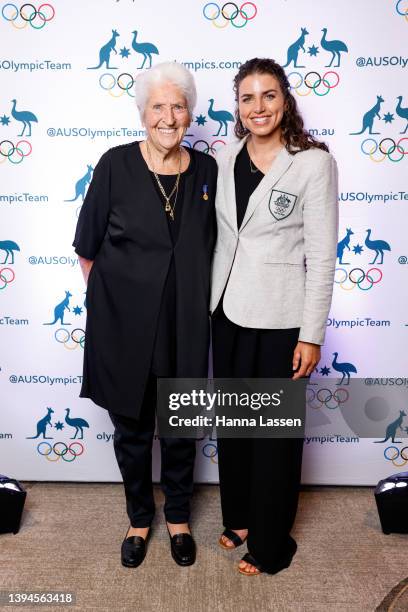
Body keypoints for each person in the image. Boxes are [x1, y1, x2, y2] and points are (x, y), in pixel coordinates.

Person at [72, 62, 217, 569]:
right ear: (142, 112)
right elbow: (86, 248)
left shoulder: (207, 171)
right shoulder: (114, 164)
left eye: (178, 106)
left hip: (186, 326)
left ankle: (177, 516)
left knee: (180, 426)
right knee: (131, 431)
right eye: (158, 105)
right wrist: (116, 307)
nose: (169, 116)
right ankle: (139, 517)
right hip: (125, 328)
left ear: (189, 113)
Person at [210, 58, 338, 575]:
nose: (257, 107)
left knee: (275, 434)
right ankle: (238, 517)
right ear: (236, 106)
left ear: (285, 99)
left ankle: (270, 543)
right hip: (226, 311)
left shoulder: (312, 163)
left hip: (283, 316)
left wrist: (311, 334)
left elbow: (323, 255)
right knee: (236, 425)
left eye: (268, 95)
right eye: (247, 98)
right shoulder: (222, 158)